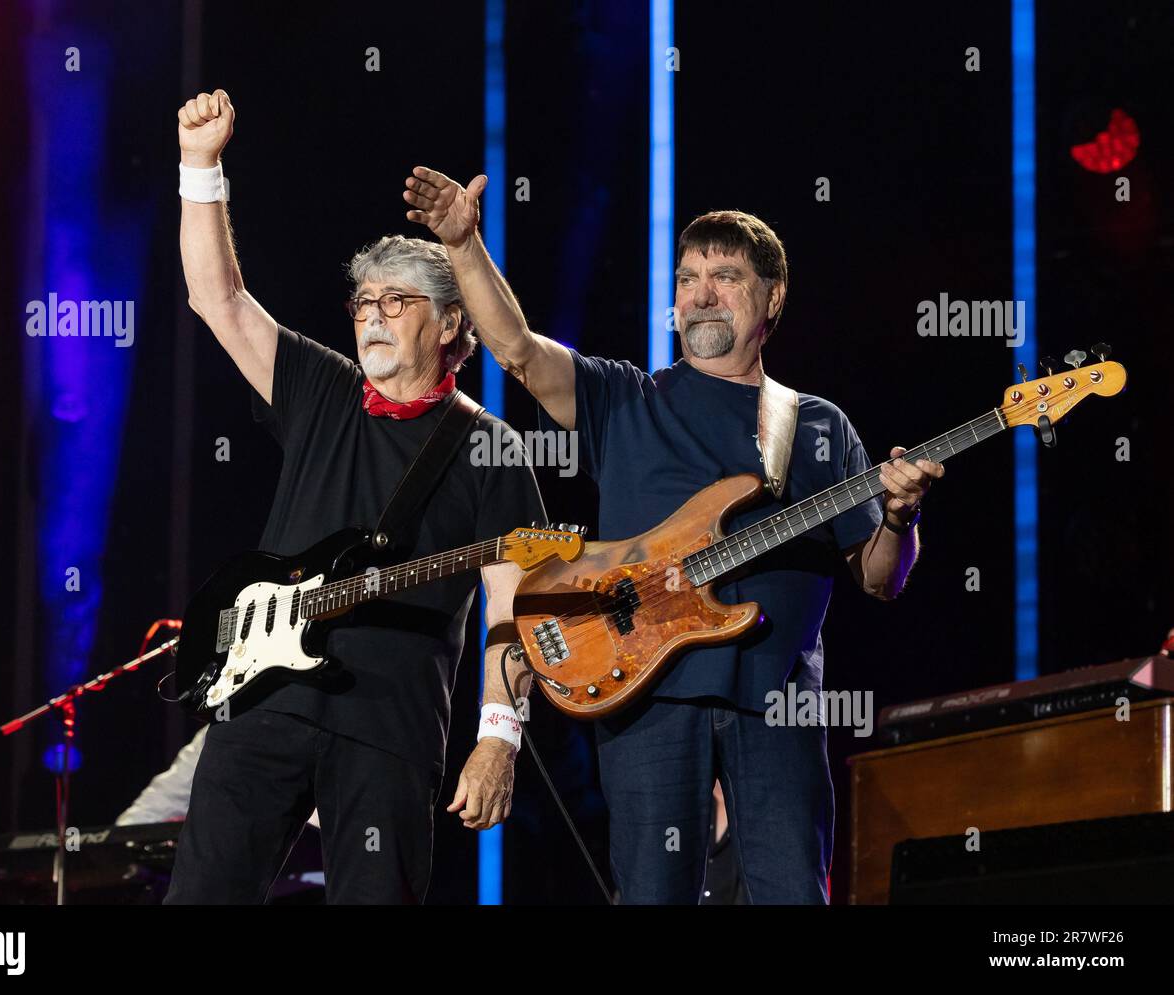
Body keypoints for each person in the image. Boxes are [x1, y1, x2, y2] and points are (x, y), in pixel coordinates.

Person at [401, 167, 944, 904]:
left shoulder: (817, 425)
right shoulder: (628, 398)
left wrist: (899, 516)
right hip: (645, 691)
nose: (702, 293)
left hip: (780, 701)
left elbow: (881, 577)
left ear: (772, 296)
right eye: (689, 278)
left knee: (794, 892)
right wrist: (465, 246)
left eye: (725, 275)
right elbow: (519, 351)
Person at [163, 92, 546, 904]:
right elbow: (217, 299)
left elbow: (519, 604)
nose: (371, 317)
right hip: (262, 699)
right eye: (363, 303)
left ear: (449, 325)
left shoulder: (491, 447)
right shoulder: (322, 388)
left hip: (390, 731)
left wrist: (499, 740)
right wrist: (202, 165)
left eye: (395, 302)